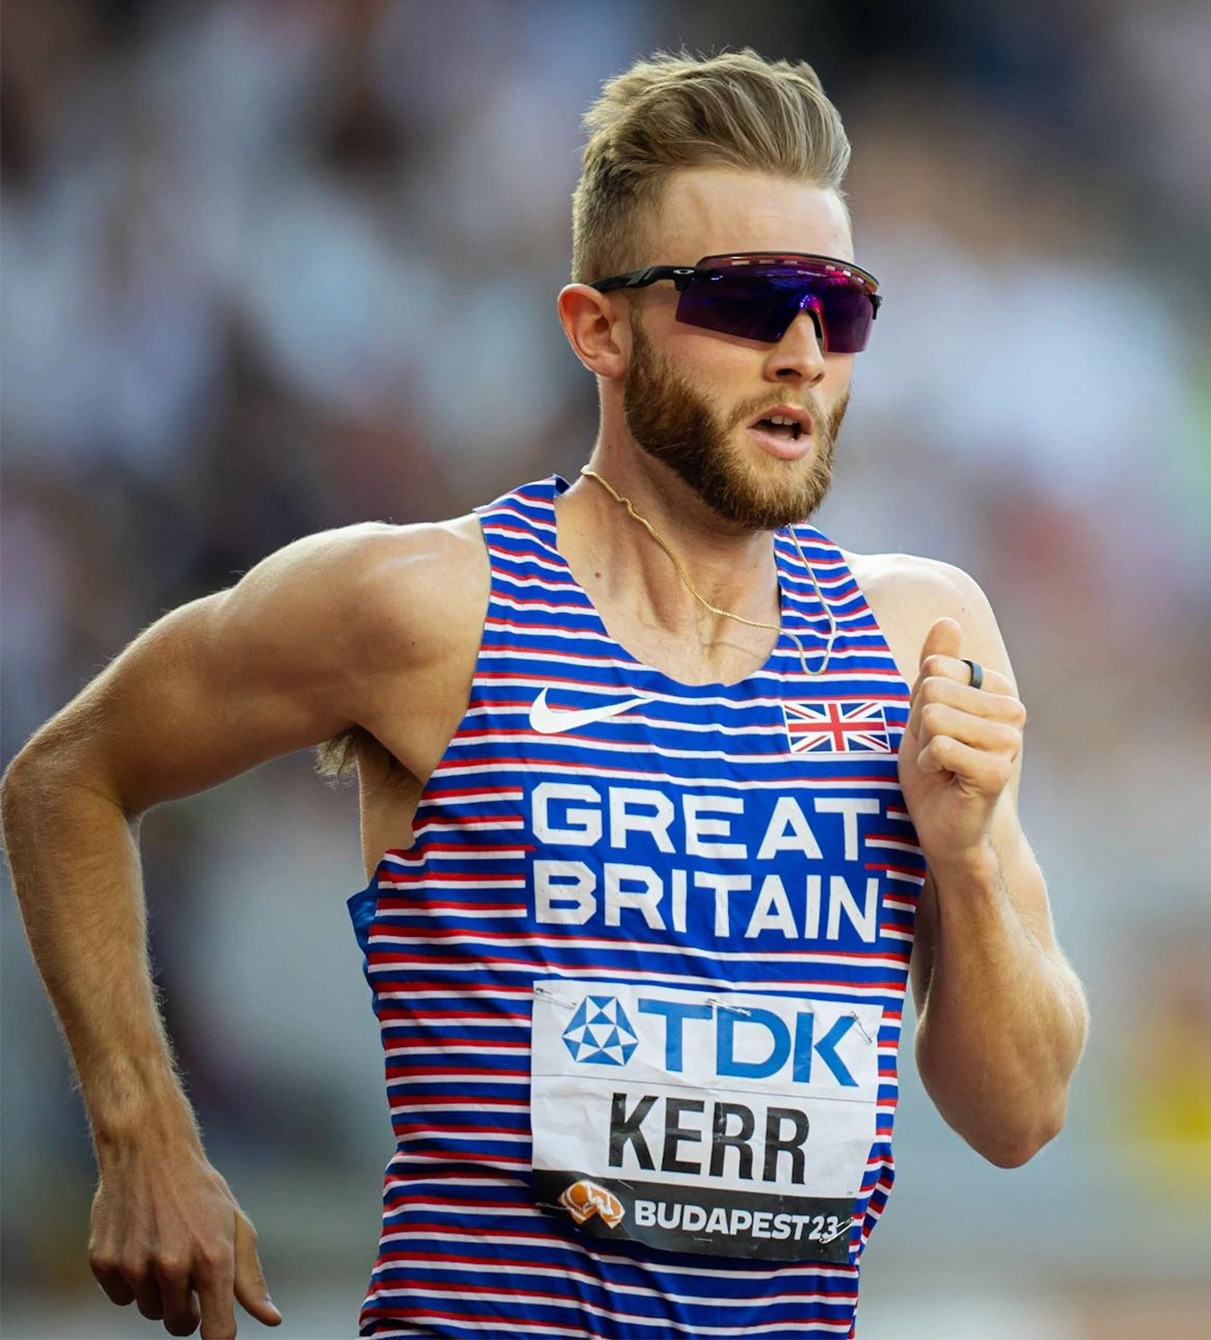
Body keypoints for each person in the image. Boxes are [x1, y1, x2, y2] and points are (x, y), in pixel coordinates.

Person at [1, 48, 1089, 1340]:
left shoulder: (923, 634)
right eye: (746, 301)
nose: (802, 351)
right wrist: (141, 1134)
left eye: (837, 306)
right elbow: (66, 776)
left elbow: (1018, 1115)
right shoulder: (427, 608)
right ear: (599, 330)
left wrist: (961, 856)